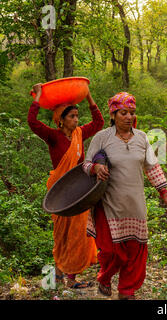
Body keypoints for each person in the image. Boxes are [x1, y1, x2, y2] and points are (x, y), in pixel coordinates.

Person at [82, 92, 167, 300]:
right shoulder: (102, 137)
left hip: (135, 204)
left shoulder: (141, 138)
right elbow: (85, 165)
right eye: (123, 113)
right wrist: (95, 167)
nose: (128, 117)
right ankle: (104, 277)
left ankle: (126, 291)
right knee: (110, 251)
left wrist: (164, 192)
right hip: (108, 204)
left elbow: (152, 167)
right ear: (113, 114)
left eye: (131, 113)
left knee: (135, 251)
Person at [28, 83, 104, 288]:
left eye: (77, 116)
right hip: (59, 191)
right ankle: (58, 276)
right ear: (60, 120)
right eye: (72, 117)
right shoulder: (54, 137)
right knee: (61, 234)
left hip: (77, 190)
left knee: (78, 233)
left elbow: (99, 122)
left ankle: (71, 279)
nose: (76, 120)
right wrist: (39, 96)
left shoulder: (79, 134)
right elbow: (32, 122)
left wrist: (89, 97)